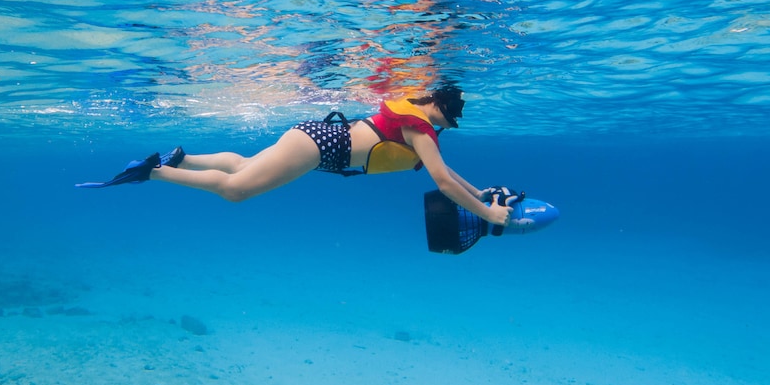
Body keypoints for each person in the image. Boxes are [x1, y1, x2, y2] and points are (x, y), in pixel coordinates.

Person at [76, 84, 513, 231]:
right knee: (236, 191)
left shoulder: (416, 128)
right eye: (446, 123)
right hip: (320, 147)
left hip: (315, 138)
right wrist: (487, 215)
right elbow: (442, 183)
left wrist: (484, 194)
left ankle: (184, 159)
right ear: (442, 112)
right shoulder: (420, 130)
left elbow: (448, 174)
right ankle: (156, 173)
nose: (441, 130)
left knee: (245, 166)